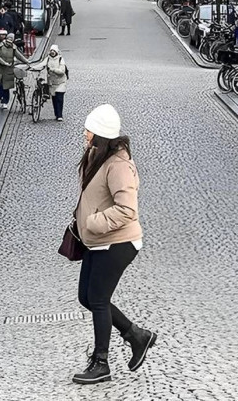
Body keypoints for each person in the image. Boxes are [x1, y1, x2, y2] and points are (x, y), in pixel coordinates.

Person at [72, 104, 156, 385]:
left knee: (97, 299)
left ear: (100, 134)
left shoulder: (119, 165)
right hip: (97, 242)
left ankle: (101, 362)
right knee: (87, 297)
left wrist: (93, 222)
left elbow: (127, 210)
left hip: (118, 243)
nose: (85, 134)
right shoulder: (97, 155)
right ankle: (136, 335)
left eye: (89, 130)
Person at [0, 33, 30, 109]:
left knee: (7, 86)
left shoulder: (13, 47)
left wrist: (27, 61)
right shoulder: (0, 46)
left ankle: (5, 102)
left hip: (8, 69)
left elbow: (19, 56)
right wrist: (4, 62)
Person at [35, 45, 67, 121]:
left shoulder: (60, 59)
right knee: (54, 99)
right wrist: (32, 67)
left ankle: (60, 115)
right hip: (52, 83)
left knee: (59, 98)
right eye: (51, 51)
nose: (52, 52)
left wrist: (52, 69)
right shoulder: (48, 59)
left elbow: (62, 71)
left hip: (61, 82)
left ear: (56, 52)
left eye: (54, 51)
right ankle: (56, 113)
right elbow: (41, 65)